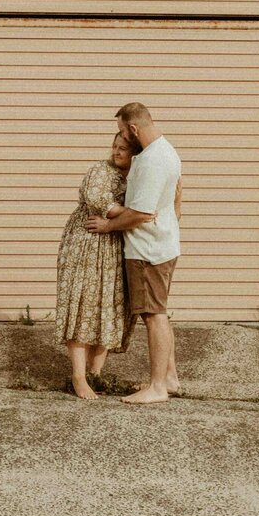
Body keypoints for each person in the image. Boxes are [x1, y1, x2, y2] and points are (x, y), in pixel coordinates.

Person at [86, 103, 182, 404]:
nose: (122, 139)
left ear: (134, 129)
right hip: (161, 244)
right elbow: (179, 193)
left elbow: (141, 213)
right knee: (159, 314)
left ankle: (157, 387)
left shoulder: (153, 160)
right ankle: (169, 378)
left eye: (122, 132)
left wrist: (107, 225)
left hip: (148, 250)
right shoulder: (167, 151)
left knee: (154, 316)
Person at [55, 133, 143, 400]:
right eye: (114, 147)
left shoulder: (137, 176)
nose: (116, 152)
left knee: (109, 308)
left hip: (116, 247)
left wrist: (137, 213)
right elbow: (99, 203)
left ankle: (95, 373)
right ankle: (78, 376)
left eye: (123, 149)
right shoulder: (100, 170)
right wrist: (137, 213)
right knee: (83, 305)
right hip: (87, 244)